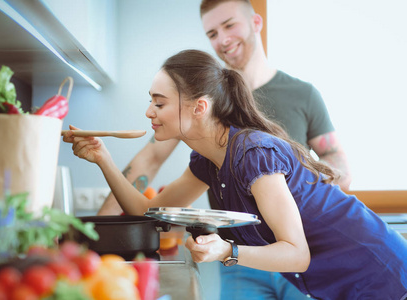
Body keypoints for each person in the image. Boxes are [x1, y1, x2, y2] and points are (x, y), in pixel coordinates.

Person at [63, 49, 407, 300]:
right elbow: (146, 213)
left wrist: (226, 250)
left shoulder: (253, 154)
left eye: (159, 102)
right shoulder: (207, 160)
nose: (149, 112)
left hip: (380, 270)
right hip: (341, 282)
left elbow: (296, 253)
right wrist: (102, 158)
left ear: (199, 107)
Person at [98, 0, 351, 299]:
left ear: (256, 23)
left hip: (297, 250)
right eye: (212, 33)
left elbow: (336, 162)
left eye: (229, 25)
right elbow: (150, 159)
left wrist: (306, 200)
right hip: (238, 256)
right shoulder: (203, 101)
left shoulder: (302, 94)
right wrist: (100, 230)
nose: (222, 39)